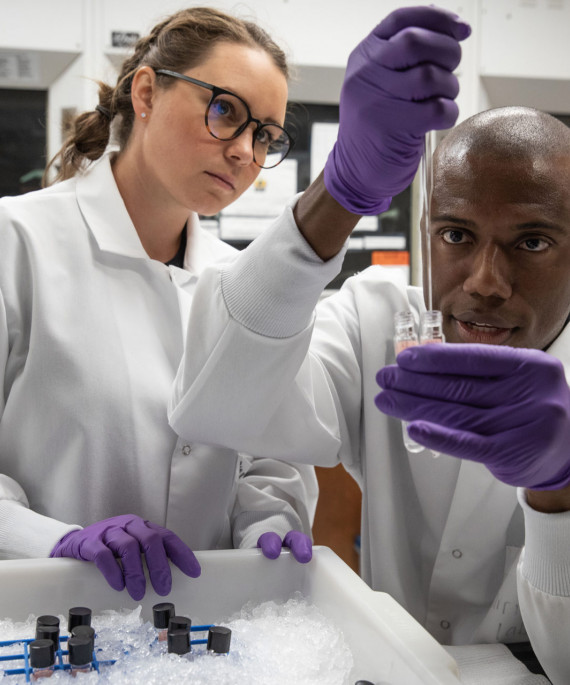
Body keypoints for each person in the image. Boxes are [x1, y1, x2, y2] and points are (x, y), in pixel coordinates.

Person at [167, 5, 570, 684]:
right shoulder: (377, 321)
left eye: (531, 241)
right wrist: (340, 191)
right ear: (424, 228)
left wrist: (559, 492)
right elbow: (215, 407)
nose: (485, 283)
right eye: (456, 235)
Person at [0, 6, 316, 603]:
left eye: (266, 135)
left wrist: (268, 523)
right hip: (36, 622)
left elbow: (267, 460)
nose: (247, 152)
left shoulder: (241, 279)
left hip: (205, 629)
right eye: (226, 111)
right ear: (146, 92)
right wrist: (54, 540)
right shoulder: (16, 243)